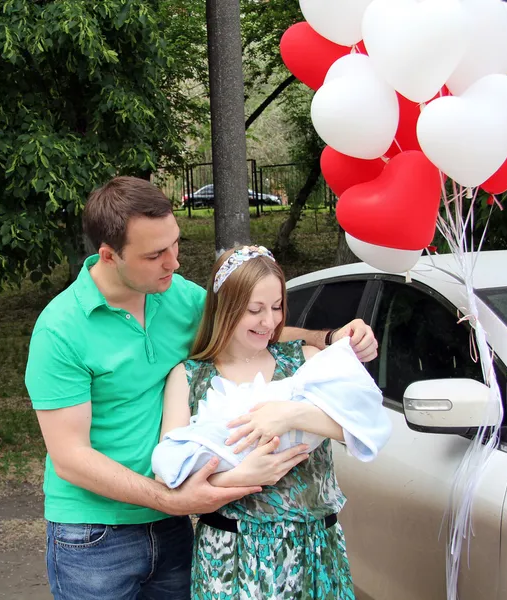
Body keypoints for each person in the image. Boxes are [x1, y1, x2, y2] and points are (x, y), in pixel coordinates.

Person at [24, 176, 378, 600]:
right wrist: (173, 498)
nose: (173, 262)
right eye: (156, 254)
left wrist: (328, 338)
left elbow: (248, 327)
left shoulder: (175, 295)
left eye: (174, 244)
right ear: (108, 255)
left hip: (174, 526)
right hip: (97, 534)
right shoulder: (60, 331)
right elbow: (71, 458)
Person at [160, 244, 374, 599]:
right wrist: (240, 478)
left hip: (314, 551)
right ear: (224, 309)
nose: (269, 322)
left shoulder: (305, 360)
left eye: (277, 307)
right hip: (230, 557)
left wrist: (287, 414)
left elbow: (361, 428)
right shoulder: (188, 378)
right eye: (254, 310)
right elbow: (170, 476)